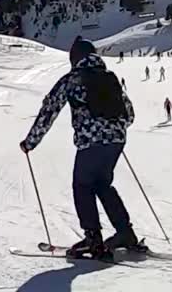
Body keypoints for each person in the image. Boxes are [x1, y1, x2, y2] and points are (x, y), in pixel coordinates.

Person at [20, 38, 138, 259]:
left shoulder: (72, 79)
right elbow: (130, 115)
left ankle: (93, 240)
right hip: (117, 140)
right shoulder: (110, 78)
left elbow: (49, 110)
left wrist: (30, 142)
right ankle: (125, 232)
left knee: (82, 185)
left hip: (91, 142)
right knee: (103, 184)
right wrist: (112, 128)